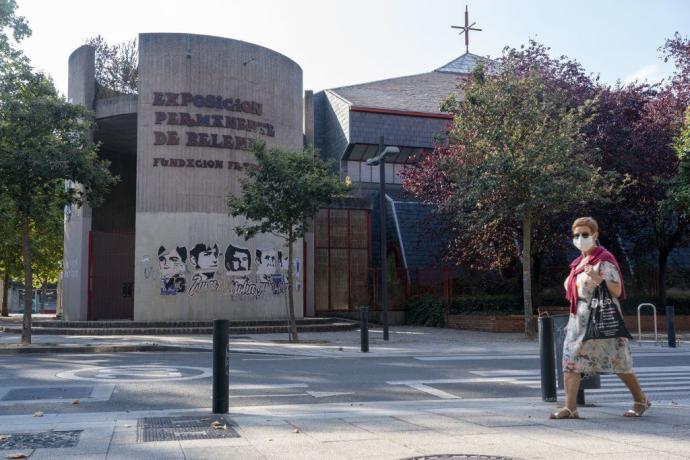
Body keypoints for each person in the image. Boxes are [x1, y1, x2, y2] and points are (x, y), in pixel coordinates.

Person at [551, 217, 650, 419]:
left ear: (595, 235)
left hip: (602, 317)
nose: (580, 238)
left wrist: (598, 279)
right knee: (570, 360)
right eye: (576, 235)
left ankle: (641, 400)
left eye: (585, 234)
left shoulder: (604, 259)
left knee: (618, 361)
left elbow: (617, 289)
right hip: (579, 319)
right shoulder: (578, 263)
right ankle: (570, 407)